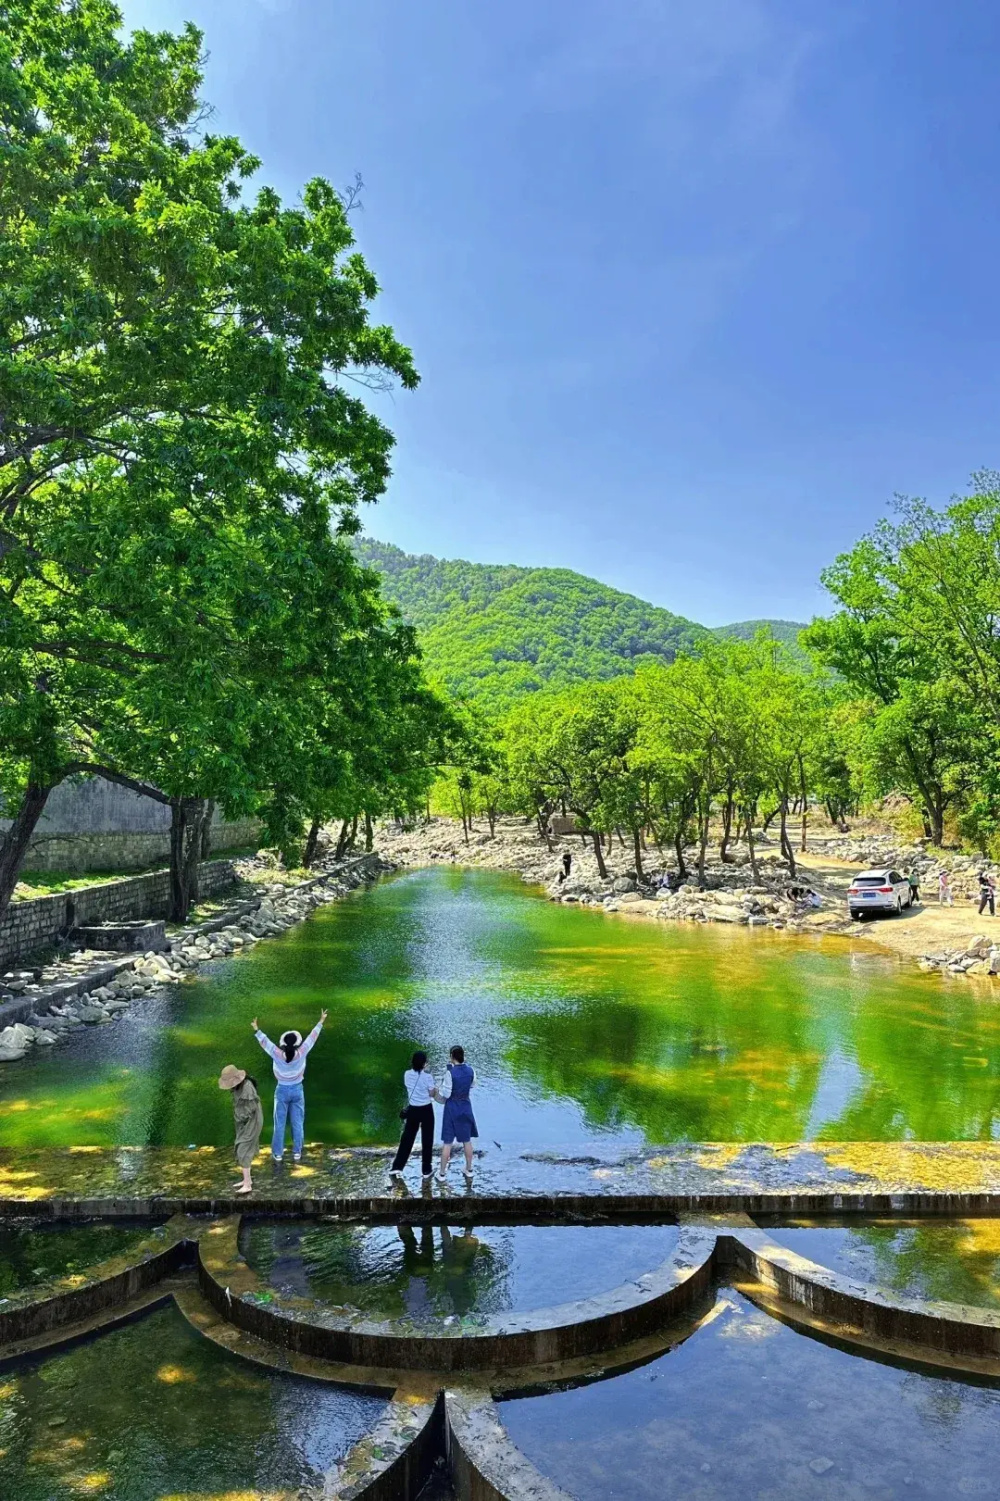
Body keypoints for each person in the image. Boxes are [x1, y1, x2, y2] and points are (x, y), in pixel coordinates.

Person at [252, 1010, 327, 1162]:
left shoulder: (277, 1053)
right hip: (297, 1090)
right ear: (296, 1043)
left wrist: (256, 1028)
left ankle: (278, 1154)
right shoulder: (302, 1052)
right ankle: (297, 1152)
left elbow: (265, 1042)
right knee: (297, 1122)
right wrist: (321, 1021)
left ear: (284, 1043)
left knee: (279, 1123)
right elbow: (312, 1038)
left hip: (281, 1090)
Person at [390, 1049, 437, 1182]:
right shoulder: (427, 1077)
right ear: (424, 1063)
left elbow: (410, 1087)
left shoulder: (407, 1074)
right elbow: (432, 1094)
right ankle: (426, 1170)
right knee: (427, 1140)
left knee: (407, 1139)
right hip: (426, 1110)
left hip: (413, 1109)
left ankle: (397, 1166)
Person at [218, 1064, 263, 1195]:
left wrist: (240, 1117)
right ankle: (246, 1180)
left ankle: (248, 1184)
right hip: (244, 1122)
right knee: (240, 1146)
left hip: (252, 1121)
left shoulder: (247, 1087)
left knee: (244, 1148)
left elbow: (250, 1108)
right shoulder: (239, 1086)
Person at [436, 1045, 478, 1184]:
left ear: (452, 1056)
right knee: (467, 1140)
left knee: (448, 1142)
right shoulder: (471, 1070)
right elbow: (472, 1085)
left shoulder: (450, 1073)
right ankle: (469, 1169)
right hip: (466, 1106)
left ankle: (442, 1173)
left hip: (452, 1109)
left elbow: (446, 1094)